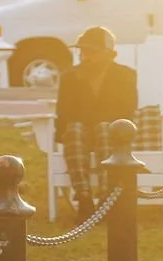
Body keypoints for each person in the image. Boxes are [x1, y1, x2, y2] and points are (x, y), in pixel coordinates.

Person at [56, 26, 139, 223]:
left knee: (104, 129)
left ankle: (105, 197)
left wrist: (100, 121)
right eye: (83, 51)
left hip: (113, 133)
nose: (86, 56)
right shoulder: (71, 77)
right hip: (80, 132)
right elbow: (64, 112)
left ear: (109, 54)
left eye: (92, 51)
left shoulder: (125, 76)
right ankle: (84, 198)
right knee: (74, 130)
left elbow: (127, 109)